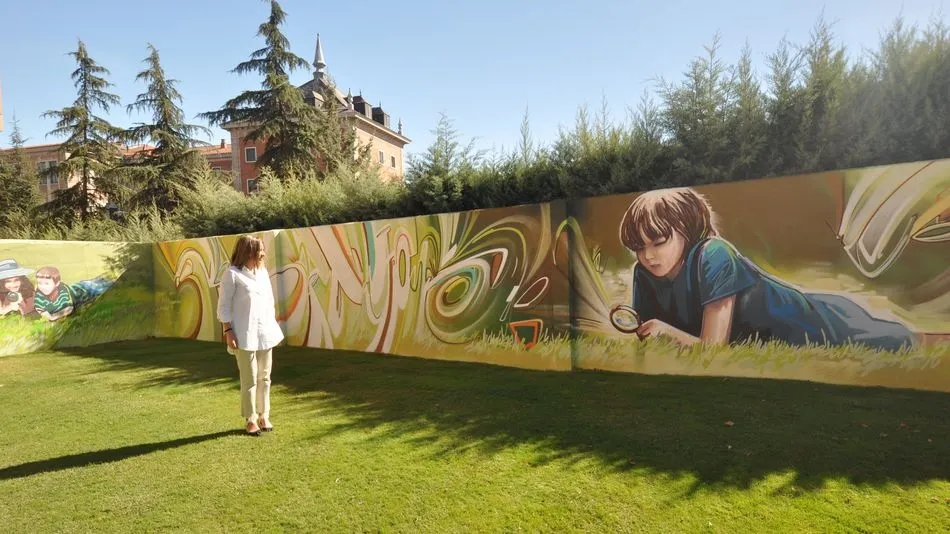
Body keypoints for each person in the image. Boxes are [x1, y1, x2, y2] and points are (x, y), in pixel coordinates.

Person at [619, 187, 919, 351]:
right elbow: (647, 340)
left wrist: (663, 331)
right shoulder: (643, 273)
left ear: (687, 230)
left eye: (658, 242)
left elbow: (711, 350)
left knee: (897, 339)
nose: (648, 255)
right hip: (811, 315)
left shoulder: (714, 254)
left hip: (810, 321)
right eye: (639, 247)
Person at [216, 235, 285, 436]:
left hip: (265, 332)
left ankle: (265, 415)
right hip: (243, 334)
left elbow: (270, 301)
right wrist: (228, 331)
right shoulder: (232, 275)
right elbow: (224, 306)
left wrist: (272, 324)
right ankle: (251, 419)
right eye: (259, 250)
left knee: (265, 377)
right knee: (250, 379)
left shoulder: (263, 273)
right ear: (247, 251)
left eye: (263, 249)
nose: (263, 253)